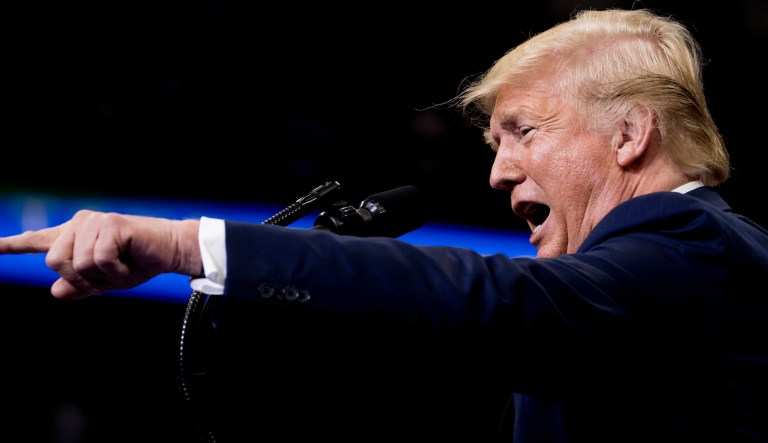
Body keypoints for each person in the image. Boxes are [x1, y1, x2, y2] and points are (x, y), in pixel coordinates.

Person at [2, 7, 767, 443]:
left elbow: (483, 294)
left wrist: (180, 242)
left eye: (524, 132)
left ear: (630, 135)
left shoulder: (693, 244)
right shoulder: (614, 305)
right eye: (494, 146)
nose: (498, 173)